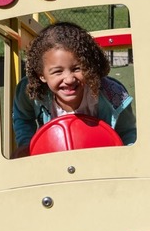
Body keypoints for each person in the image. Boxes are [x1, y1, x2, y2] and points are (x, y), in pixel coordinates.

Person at [12, 21, 136, 158]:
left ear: (89, 66)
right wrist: (26, 145)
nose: (69, 79)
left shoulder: (113, 95)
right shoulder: (32, 92)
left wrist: (127, 156)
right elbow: (23, 117)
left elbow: (128, 132)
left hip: (100, 160)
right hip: (54, 157)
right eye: (58, 72)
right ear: (41, 75)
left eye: (77, 68)